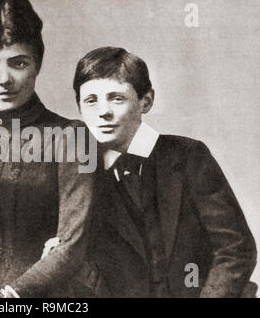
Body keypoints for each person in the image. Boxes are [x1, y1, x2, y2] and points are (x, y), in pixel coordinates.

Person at [73, 47, 257, 297]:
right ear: (80, 109)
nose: (103, 112)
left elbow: (235, 248)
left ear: (146, 101)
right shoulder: (80, 173)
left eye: (116, 98)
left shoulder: (188, 156)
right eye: (91, 100)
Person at [0, 0, 94, 298]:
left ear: (38, 63)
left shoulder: (72, 136)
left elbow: (73, 244)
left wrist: (16, 294)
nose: (4, 79)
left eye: (19, 63)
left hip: (44, 296)